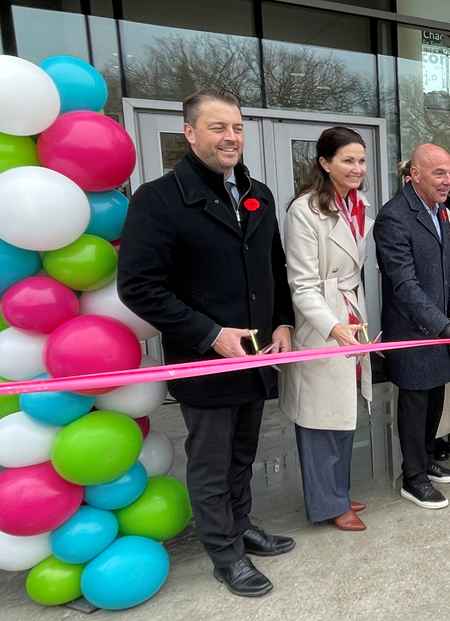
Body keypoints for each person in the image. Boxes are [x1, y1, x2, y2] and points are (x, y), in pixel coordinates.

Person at [117, 88, 295, 598]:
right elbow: (140, 287)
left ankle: (239, 526)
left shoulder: (255, 191)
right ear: (190, 134)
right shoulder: (158, 199)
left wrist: (281, 322)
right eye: (218, 128)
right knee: (211, 461)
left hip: (257, 357)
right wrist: (211, 334)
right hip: (205, 361)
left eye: (236, 127)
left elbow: (274, 270)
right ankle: (224, 553)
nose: (231, 137)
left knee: (244, 453)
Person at [279, 127, 373, 532]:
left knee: (344, 410)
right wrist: (334, 327)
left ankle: (336, 491)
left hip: (351, 311)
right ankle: (328, 504)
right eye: (348, 160)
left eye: (361, 160)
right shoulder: (304, 210)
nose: (357, 168)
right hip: (322, 319)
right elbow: (300, 284)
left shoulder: (360, 205)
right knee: (319, 420)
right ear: (325, 163)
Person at [373, 143, 450, 510]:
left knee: (434, 400)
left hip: (441, 325)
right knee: (414, 406)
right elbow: (404, 285)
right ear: (414, 175)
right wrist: (443, 326)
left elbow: (448, 268)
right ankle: (412, 479)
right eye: (438, 174)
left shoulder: (441, 212)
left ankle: (426, 459)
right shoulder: (394, 217)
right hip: (412, 331)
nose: (448, 181)